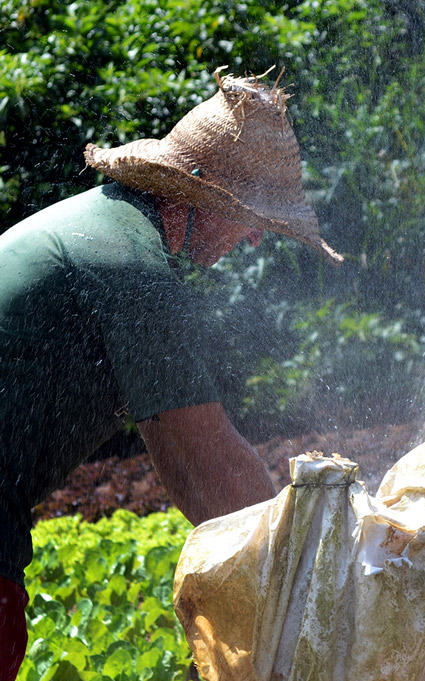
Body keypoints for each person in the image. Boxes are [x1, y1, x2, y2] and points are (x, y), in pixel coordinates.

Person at [0, 68, 343, 679]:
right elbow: (213, 458)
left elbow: (185, 468)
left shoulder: (107, 230)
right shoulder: (129, 268)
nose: (257, 240)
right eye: (249, 216)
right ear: (195, 193)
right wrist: (315, 589)